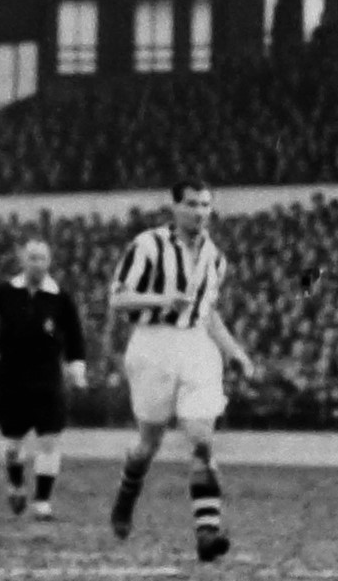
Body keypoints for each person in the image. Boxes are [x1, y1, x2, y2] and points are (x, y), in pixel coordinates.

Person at [107, 182, 258, 561]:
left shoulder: (214, 257)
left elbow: (207, 314)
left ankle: (207, 533)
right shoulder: (147, 246)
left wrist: (234, 351)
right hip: (152, 344)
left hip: (195, 346)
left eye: (206, 205)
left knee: (201, 437)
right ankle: (127, 495)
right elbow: (117, 298)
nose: (200, 212)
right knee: (148, 443)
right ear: (174, 207)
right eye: (191, 205)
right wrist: (161, 299)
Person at [0, 235, 88, 519]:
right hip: (11, 374)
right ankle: (15, 484)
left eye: (41, 258)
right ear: (22, 260)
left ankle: (42, 501)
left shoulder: (60, 298)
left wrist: (76, 365)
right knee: (12, 443)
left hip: (46, 375)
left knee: (49, 438)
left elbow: (75, 334)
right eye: (31, 257)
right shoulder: (5, 292)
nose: (36, 264)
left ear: (49, 262)